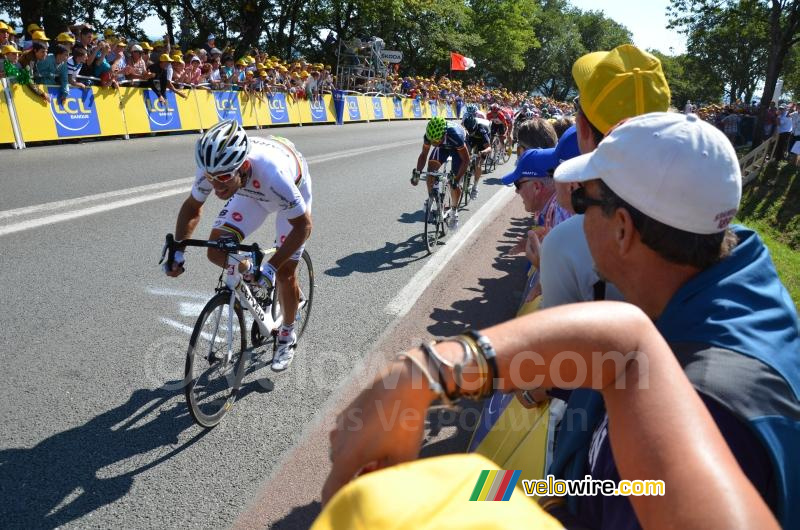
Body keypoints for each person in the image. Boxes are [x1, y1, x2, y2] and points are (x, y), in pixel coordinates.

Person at [545, 112, 800, 529]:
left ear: (623, 229)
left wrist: (506, 501)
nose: (577, 215)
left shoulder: (693, 410)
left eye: (582, 201)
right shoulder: (738, 281)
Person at [321, 302, 780, 530]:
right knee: (485, 484)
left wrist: (422, 373)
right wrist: (422, 374)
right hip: (579, 488)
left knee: (485, 484)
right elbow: (631, 341)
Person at [164, 120, 313, 372]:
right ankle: (251, 278)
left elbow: (303, 227)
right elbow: (193, 207)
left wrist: (271, 268)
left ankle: (286, 334)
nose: (216, 186)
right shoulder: (213, 167)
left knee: (286, 273)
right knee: (216, 250)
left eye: (223, 178)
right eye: (211, 178)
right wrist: (178, 250)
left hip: (286, 194)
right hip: (249, 194)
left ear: (243, 166)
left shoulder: (273, 174)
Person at [411, 116, 469, 230]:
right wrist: (417, 173)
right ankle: (432, 197)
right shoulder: (430, 136)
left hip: (458, 148)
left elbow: (466, 160)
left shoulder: (455, 135)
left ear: (444, 134)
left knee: (454, 184)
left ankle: (454, 210)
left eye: (437, 140)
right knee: (431, 171)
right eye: (432, 141)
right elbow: (423, 155)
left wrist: (456, 180)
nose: (434, 143)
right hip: (443, 147)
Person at [461, 104, 492, 200]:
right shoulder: (467, 125)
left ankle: (475, 187)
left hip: (481, 142)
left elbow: (489, 148)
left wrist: (482, 152)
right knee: (465, 155)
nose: (470, 132)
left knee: (478, 165)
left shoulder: (481, 130)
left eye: (472, 131)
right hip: (471, 139)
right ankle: (462, 175)